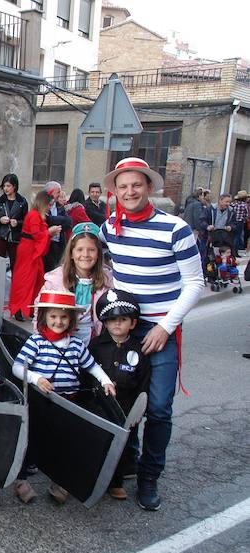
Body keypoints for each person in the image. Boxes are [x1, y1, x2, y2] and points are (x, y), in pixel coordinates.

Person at [100, 157, 204, 511]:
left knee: (158, 408)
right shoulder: (108, 228)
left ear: (149, 187)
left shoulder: (176, 229)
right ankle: (126, 462)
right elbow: (99, 266)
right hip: (122, 329)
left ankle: (148, 476)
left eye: (136, 185)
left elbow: (194, 284)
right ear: (115, 191)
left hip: (161, 330)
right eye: (123, 186)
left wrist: (165, 326)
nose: (129, 192)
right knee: (123, 401)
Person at [12, 289, 115, 503]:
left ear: (71, 319)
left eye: (63, 317)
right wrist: (36, 378)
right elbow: (17, 367)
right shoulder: (36, 342)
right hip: (42, 401)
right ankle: (21, 480)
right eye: (53, 316)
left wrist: (105, 380)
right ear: (44, 318)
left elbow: (92, 366)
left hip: (69, 402)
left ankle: (60, 481)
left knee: (64, 442)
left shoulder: (76, 345)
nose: (58, 321)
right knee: (32, 439)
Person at [89, 288, 151, 501]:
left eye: (123, 319)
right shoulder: (96, 346)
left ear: (133, 323)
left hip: (126, 408)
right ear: (105, 323)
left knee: (123, 447)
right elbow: (86, 373)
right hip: (99, 406)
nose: (117, 324)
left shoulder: (139, 350)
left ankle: (116, 482)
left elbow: (143, 383)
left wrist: (139, 411)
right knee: (96, 442)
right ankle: (94, 477)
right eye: (112, 319)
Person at [40, 222, 113, 343]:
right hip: (62, 340)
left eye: (91, 250)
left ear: (99, 254)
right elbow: (41, 313)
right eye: (79, 249)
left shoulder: (108, 280)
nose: (85, 255)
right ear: (71, 253)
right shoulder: (56, 280)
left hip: (94, 340)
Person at [8, 191, 60, 321]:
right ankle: (19, 308)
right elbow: (37, 234)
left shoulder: (36, 215)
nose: (49, 207)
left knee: (36, 279)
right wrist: (49, 232)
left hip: (32, 249)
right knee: (25, 279)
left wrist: (48, 233)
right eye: (49, 205)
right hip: (28, 250)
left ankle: (29, 307)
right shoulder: (34, 216)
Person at [0, 174, 28, 269]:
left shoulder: (22, 202)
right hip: (0, 237)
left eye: (8, 186)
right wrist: (0, 220)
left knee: (16, 265)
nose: (5, 189)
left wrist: (17, 223)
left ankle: (14, 283)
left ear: (14, 186)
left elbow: (26, 221)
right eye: (4, 186)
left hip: (15, 238)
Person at [43, 181, 74, 271]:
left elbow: (69, 222)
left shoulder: (60, 206)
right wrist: (58, 220)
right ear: (51, 192)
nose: (60, 194)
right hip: (47, 244)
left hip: (59, 243)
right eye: (58, 192)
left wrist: (53, 219)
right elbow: (46, 220)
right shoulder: (42, 205)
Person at [232, 190, 248, 256]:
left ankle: (231, 250)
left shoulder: (233, 204)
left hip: (233, 222)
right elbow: (246, 215)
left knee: (233, 236)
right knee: (237, 237)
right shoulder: (244, 205)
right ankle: (235, 251)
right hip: (240, 222)